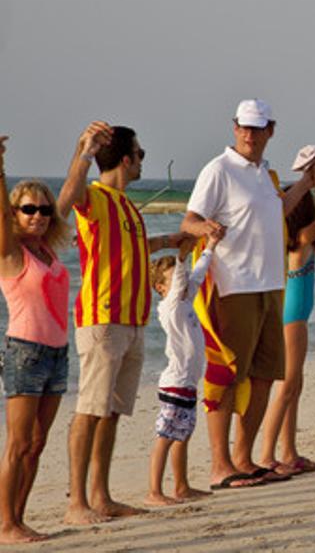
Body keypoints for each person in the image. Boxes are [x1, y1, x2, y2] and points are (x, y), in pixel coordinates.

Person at [180, 99, 313, 490]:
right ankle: (220, 464)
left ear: (271, 130)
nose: (249, 135)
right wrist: (205, 228)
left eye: (257, 128)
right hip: (232, 284)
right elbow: (189, 220)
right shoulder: (218, 170)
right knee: (226, 375)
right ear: (234, 127)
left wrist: (307, 182)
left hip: (271, 284)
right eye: (243, 127)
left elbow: (278, 210)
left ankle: (244, 457)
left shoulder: (265, 174)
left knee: (264, 375)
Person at [58, 122, 183, 522]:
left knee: (112, 411)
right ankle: (77, 502)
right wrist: (86, 152)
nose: (143, 160)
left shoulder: (127, 205)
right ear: (126, 158)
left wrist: (171, 240)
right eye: (140, 154)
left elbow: (130, 248)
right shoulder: (95, 196)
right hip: (102, 318)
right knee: (90, 409)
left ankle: (101, 495)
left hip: (132, 319)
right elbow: (65, 202)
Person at [0, 138, 70, 543]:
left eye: (44, 210)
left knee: (37, 444)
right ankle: (6, 523)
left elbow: (71, 195)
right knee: (19, 442)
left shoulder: (47, 250)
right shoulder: (11, 254)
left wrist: (83, 152)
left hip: (58, 352)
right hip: (24, 351)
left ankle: (19, 519)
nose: (38, 216)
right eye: (29, 209)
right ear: (14, 213)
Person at [259, 160, 315, 475]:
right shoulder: (301, 243)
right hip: (293, 321)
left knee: (295, 385)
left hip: (294, 318)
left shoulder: (294, 244)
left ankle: (289, 451)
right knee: (287, 387)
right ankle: (266, 455)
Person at [145, 239, 214, 506]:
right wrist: (182, 257)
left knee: (183, 434)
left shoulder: (186, 300)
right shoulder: (171, 307)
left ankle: (182, 486)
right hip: (175, 384)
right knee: (166, 436)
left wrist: (211, 247)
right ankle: (154, 491)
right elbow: (185, 277)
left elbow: (197, 274)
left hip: (187, 384)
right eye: (175, 279)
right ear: (161, 288)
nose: (182, 281)